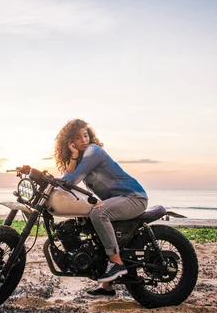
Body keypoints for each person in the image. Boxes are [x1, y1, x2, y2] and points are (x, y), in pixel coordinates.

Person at [54, 119, 148, 297]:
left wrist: (53, 180)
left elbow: (71, 180)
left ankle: (116, 261)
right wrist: (73, 156)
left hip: (134, 197)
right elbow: (68, 178)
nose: (84, 140)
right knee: (91, 222)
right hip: (121, 199)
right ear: (70, 142)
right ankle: (107, 287)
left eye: (85, 135)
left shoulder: (93, 151)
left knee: (98, 213)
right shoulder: (81, 157)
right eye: (78, 137)